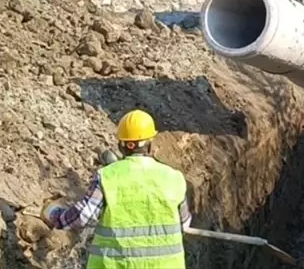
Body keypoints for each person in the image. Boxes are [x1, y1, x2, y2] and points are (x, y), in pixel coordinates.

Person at [43, 109, 192, 268]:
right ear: (150, 145)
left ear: (121, 146)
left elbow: (82, 217)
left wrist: (53, 214)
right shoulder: (174, 178)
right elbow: (184, 224)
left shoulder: (107, 177)